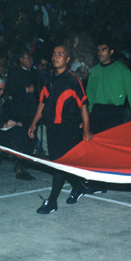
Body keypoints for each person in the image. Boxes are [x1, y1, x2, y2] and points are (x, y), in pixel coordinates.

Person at [28, 45, 92, 214]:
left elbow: (84, 105)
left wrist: (86, 129)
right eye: (54, 54)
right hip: (52, 128)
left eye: (60, 54)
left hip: (68, 129)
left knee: (59, 164)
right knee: (60, 163)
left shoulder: (73, 79)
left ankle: (52, 201)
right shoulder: (49, 78)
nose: (55, 57)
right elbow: (42, 102)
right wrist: (34, 123)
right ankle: (79, 187)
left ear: (68, 59)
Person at [0, 77, 35, 180]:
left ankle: (20, 166)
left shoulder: (3, 101)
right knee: (16, 135)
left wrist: (15, 122)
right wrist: (3, 125)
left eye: (2, 90)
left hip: (3, 132)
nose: (1, 92)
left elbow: (10, 115)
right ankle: (19, 165)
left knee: (20, 131)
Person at [86, 39, 131, 134]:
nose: (100, 52)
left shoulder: (121, 69)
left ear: (111, 52)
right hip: (97, 112)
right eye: (99, 50)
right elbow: (89, 95)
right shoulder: (95, 70)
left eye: (104, 49)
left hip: (114, 112)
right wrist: (86, 115)